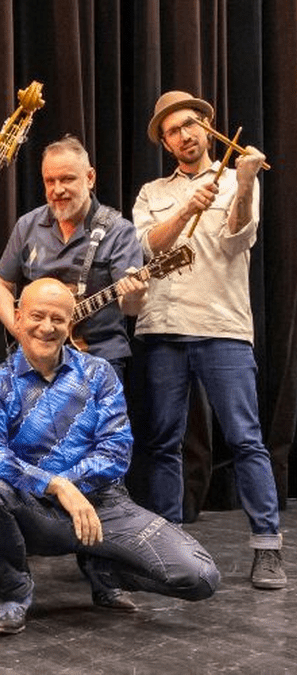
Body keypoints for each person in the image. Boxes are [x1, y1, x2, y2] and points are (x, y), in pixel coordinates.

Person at [0, 277, 220, 636]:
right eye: (37, 316)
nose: (47, 327)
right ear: (18, 318)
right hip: (33, 509)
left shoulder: (98, 373)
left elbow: (116, 449)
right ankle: (14, 594)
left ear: (70, 325)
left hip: (102, 505)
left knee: (201, 576)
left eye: (58, 319)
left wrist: (73, 486)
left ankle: (103, 570)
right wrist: (55, 485)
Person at [132, 90, 284, 589]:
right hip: (162, 328)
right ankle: (168, 551)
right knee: (162, 442)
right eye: (173, 131)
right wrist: (183, 211)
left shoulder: (238, 178)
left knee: (245, 439)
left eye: (190, 124)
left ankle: (268, 547)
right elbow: (145, 247)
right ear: (166, 143)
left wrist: (244, 183)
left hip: (223, 328)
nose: (184, 135)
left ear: (207, 126)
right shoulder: (151, 192)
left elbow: (239, 239)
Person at [0, 134, 148, 381]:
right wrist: (20, 330)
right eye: (49, 181)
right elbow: (0, 285)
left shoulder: (119, 231)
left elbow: (130, 307)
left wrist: (135, 294)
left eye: (67, 179)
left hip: (97, 359)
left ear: (90, 178)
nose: (57, 190)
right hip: (35, 358)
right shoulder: (27, 225)